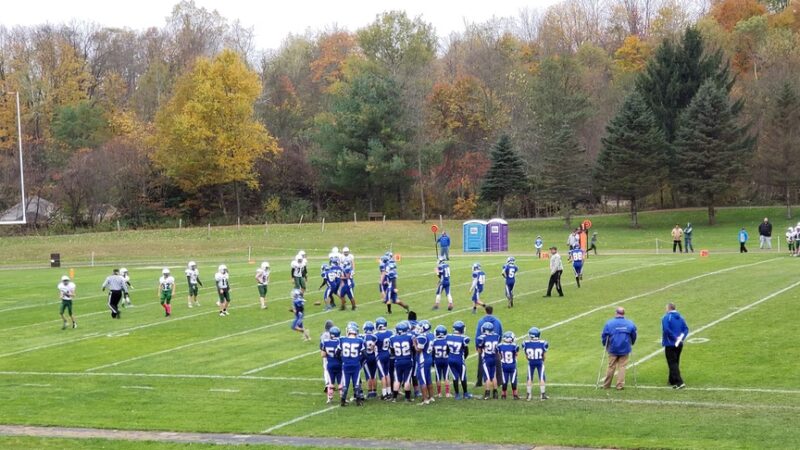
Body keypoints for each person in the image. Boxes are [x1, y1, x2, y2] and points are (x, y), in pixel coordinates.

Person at [601, 307, 637, 390]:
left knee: (611, 366)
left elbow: (604, 335)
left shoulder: (609, 323)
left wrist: (605, 344)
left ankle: (606, 385)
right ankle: (619, 385)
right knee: (622, 366)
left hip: (613, 348)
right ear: (623, 314)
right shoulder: (629, 323)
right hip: (625, 348)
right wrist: (632, 342)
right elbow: (634, 334)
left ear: (616, 313)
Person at [474, 306, 503, 388]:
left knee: (481, 363)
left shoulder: (481, 321)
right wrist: (497, 343)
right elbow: (501, 333)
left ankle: (479, 381)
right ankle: (499, 381)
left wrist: (477, 345)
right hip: (494, 346)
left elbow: (478, 334)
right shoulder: (497, 321)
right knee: (497, 363)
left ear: (485, 311)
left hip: (483, 346)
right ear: (492, 311)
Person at [662, 303, 689, 389]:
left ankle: (679, 382)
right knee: (676, 361)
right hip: (679, 343)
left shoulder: (666, 317)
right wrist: (681, 338)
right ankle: (672, 380)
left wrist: (675, 338)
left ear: (669, 308)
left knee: (672, 363)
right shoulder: (681, 317)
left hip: (670, 343)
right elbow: (686, 329)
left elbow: (666, 329)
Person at [338, 323, 365, 406]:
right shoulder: (360, 340)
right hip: (355, 364)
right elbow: (365, 354)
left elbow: (337, 353)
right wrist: (358, 359)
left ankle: (343, 401)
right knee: (356, 383)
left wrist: (343, 359)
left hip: (346, 364)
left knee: (345, 383)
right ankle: (358, 401)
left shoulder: (342, 340)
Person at [389, 321, 415, 402]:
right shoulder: (410, 337)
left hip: (398, 360)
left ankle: (394, 398)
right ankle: (407, 398)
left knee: (397, 379)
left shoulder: (392, 338)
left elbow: (392, 351)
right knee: (407, 379)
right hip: (408, 360)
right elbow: (413, 348)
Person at [446, 320, 472, 399]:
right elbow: (466, 351)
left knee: (455, 377)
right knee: (463, 376)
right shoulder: (464, 338)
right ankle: (465, 393)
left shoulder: (448, 336)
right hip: (459, 359)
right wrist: (464, 358)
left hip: (450, 358)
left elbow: (447, 349)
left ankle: (457, 394)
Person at [476, 322, 500, 400]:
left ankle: (487, 393)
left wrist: (480, 348)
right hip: (494, 357)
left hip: (486, 359)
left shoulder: (482, 338)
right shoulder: (496, 336)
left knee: (487, 377)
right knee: (494, 376)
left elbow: (479, 350)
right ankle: (495, 393)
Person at [523, 327, 549, 400]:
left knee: (529, 378)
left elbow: (526, 356)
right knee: (541, 378)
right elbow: (544, 355)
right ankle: (542, 395)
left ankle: (528, 395)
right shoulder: (543, 343)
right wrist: (542, 360)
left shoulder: (526, 343)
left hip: (531, 362)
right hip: (539, 362)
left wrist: (530, 359)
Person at [320, 325, 342, 404]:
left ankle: (329, 398)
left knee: (330, 382)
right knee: (340, 382)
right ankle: (342, 398)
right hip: (339, 364)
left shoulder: (326, 342)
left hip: (330, 364)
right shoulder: (340, 342)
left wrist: (329, 355)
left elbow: (323, 355)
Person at [374, 317, 394, 400]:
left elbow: (372, 345)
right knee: (387, 373)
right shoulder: (390, 333)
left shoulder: (376, 335)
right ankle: (389, 392)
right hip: (387, 354)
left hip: (380, 356)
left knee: (382, 375)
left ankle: (384, 393)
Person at [497, 331, 519, 400]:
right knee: (513, 381)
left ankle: (503, 395)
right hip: (512, 366)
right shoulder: (514, 346)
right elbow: (516, 355)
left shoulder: (500, 346)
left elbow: (499, 355)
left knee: (504, 381)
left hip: (504, 366)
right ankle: (515, 395)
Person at [432, 325, 451, 398]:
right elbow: (449, 351)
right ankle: (447, 393)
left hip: (437, 360)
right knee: (446, 377)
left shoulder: (434, 342)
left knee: (438, 377)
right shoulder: (447, 341)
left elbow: (432, 352)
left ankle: (439, 393)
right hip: (446, 360)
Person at [361, 321, 379, 399]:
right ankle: (374, 391)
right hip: (374, 357)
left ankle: (370, 392)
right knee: (374, 375)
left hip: (366, 358)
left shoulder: (362, 337)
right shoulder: (375, 337)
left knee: (368, 375)